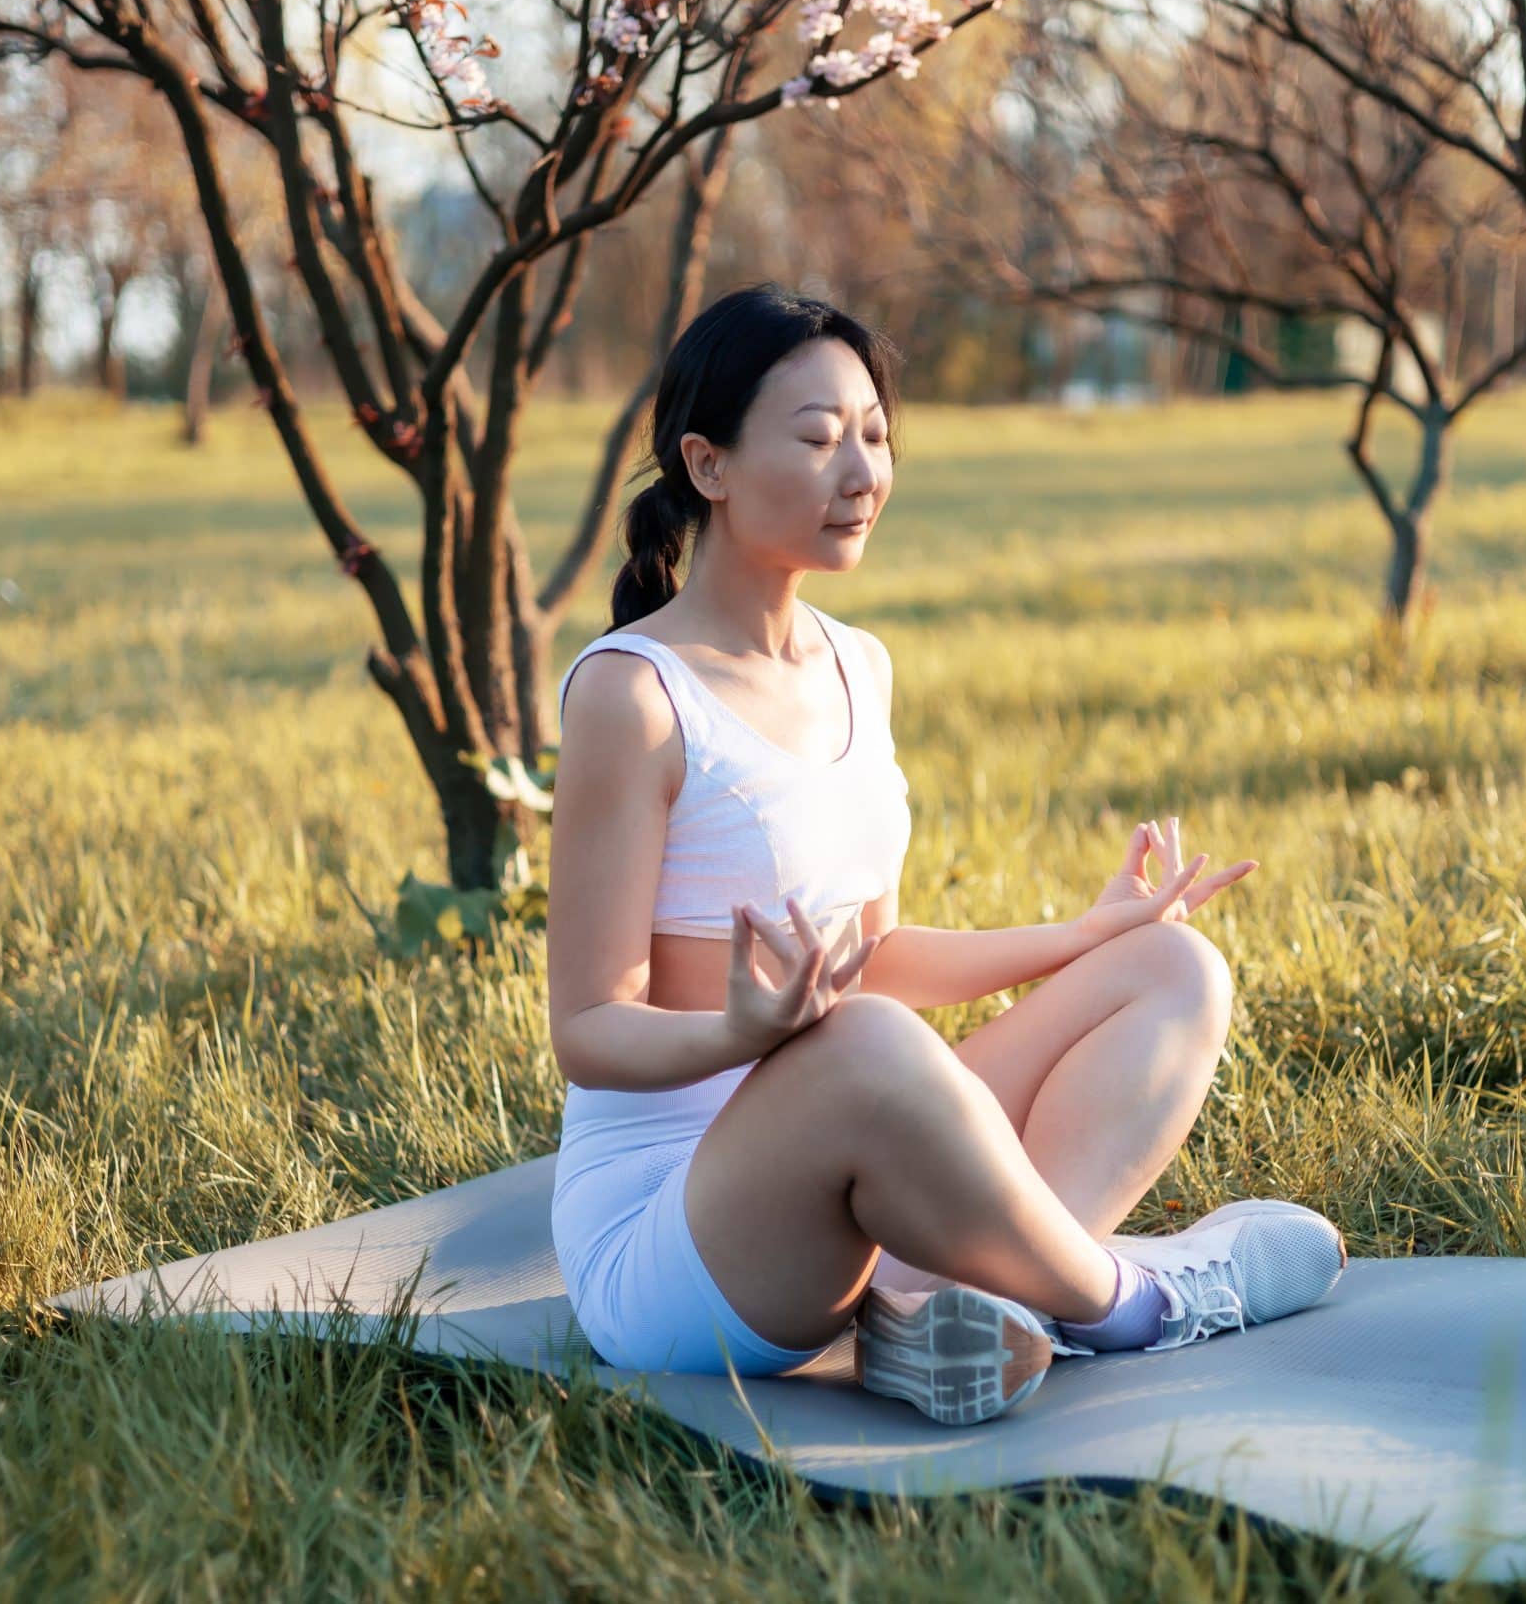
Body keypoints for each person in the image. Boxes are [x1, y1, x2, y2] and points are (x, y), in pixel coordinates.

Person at [545, 282, 1346, 1426]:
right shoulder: (635, 695)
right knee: (867, 1041)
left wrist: (1085, 937)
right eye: (818, 439)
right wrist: (741, 1035)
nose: (860, 472)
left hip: (837, 1133)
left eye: (874, 435)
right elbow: (586, 1032)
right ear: (707, 465)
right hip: (676, 1243)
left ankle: (956, 1303)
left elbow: (872, 958)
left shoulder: (857, 665)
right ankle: (1136, 1301)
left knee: (1174, 972)